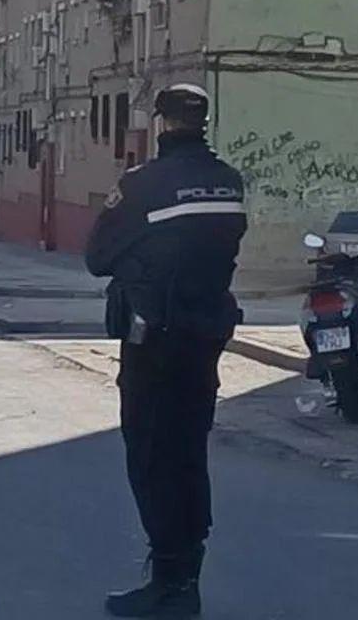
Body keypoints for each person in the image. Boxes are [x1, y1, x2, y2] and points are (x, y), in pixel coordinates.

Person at [85, 84, 247, 618]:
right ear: (202, 122)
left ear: (161, 123)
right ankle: (186, 580)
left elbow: (98, 256)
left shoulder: (143, 184)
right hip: (205, 338)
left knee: (151, 456)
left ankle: (168, 581)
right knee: (189, 453)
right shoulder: (228, 182)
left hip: (154, 339)